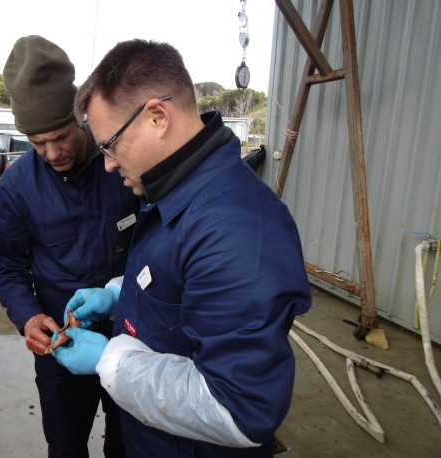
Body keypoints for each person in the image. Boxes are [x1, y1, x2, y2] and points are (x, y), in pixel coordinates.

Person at [53, 39, 312, 457]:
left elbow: (240, 409)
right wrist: (118, 297)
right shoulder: (175, 188)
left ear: (157, 116)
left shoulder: (236, 230)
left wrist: (110, 362)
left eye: (111, 145)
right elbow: (175, 282)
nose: (108, 163)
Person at [0, 35, 139, 457]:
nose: (52, 153)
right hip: (63, 342)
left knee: (129, 443)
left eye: (61, 136)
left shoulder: (122, 164)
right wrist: (29, 315)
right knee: (66, 445)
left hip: (133, 335)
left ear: (80, 117)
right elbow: (8, 268)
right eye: (37, 143)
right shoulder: (17, 187)